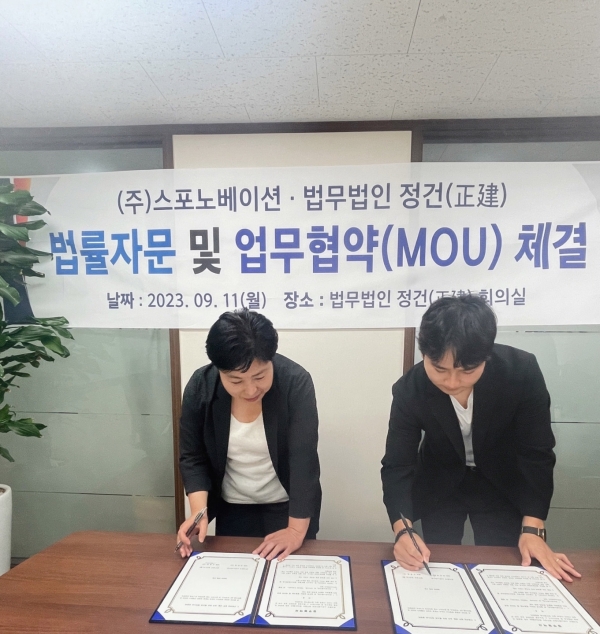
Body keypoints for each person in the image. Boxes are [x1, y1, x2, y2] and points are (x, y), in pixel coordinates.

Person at [381, 294, 580, 582]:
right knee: (435, 561)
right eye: (439, 370)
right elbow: (398, 464)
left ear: (486, 357)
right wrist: (403, 530)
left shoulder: (521, 372)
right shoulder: (409, 389)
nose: (452, 382)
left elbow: (536, 452)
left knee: (506, 561)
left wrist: (533, 528)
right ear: (424, 354)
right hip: (440, 480)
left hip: (501, 479)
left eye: (467, 371)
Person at [177, 308, 321, 561]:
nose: (251, 389)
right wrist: (199, 514)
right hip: (232, 508)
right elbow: (193, 456)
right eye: (236, 381)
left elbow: (303, 459)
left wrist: (296, 531)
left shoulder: (295, 382)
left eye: (260, 376)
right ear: (219, 369)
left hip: (288, 506)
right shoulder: (201, 386)